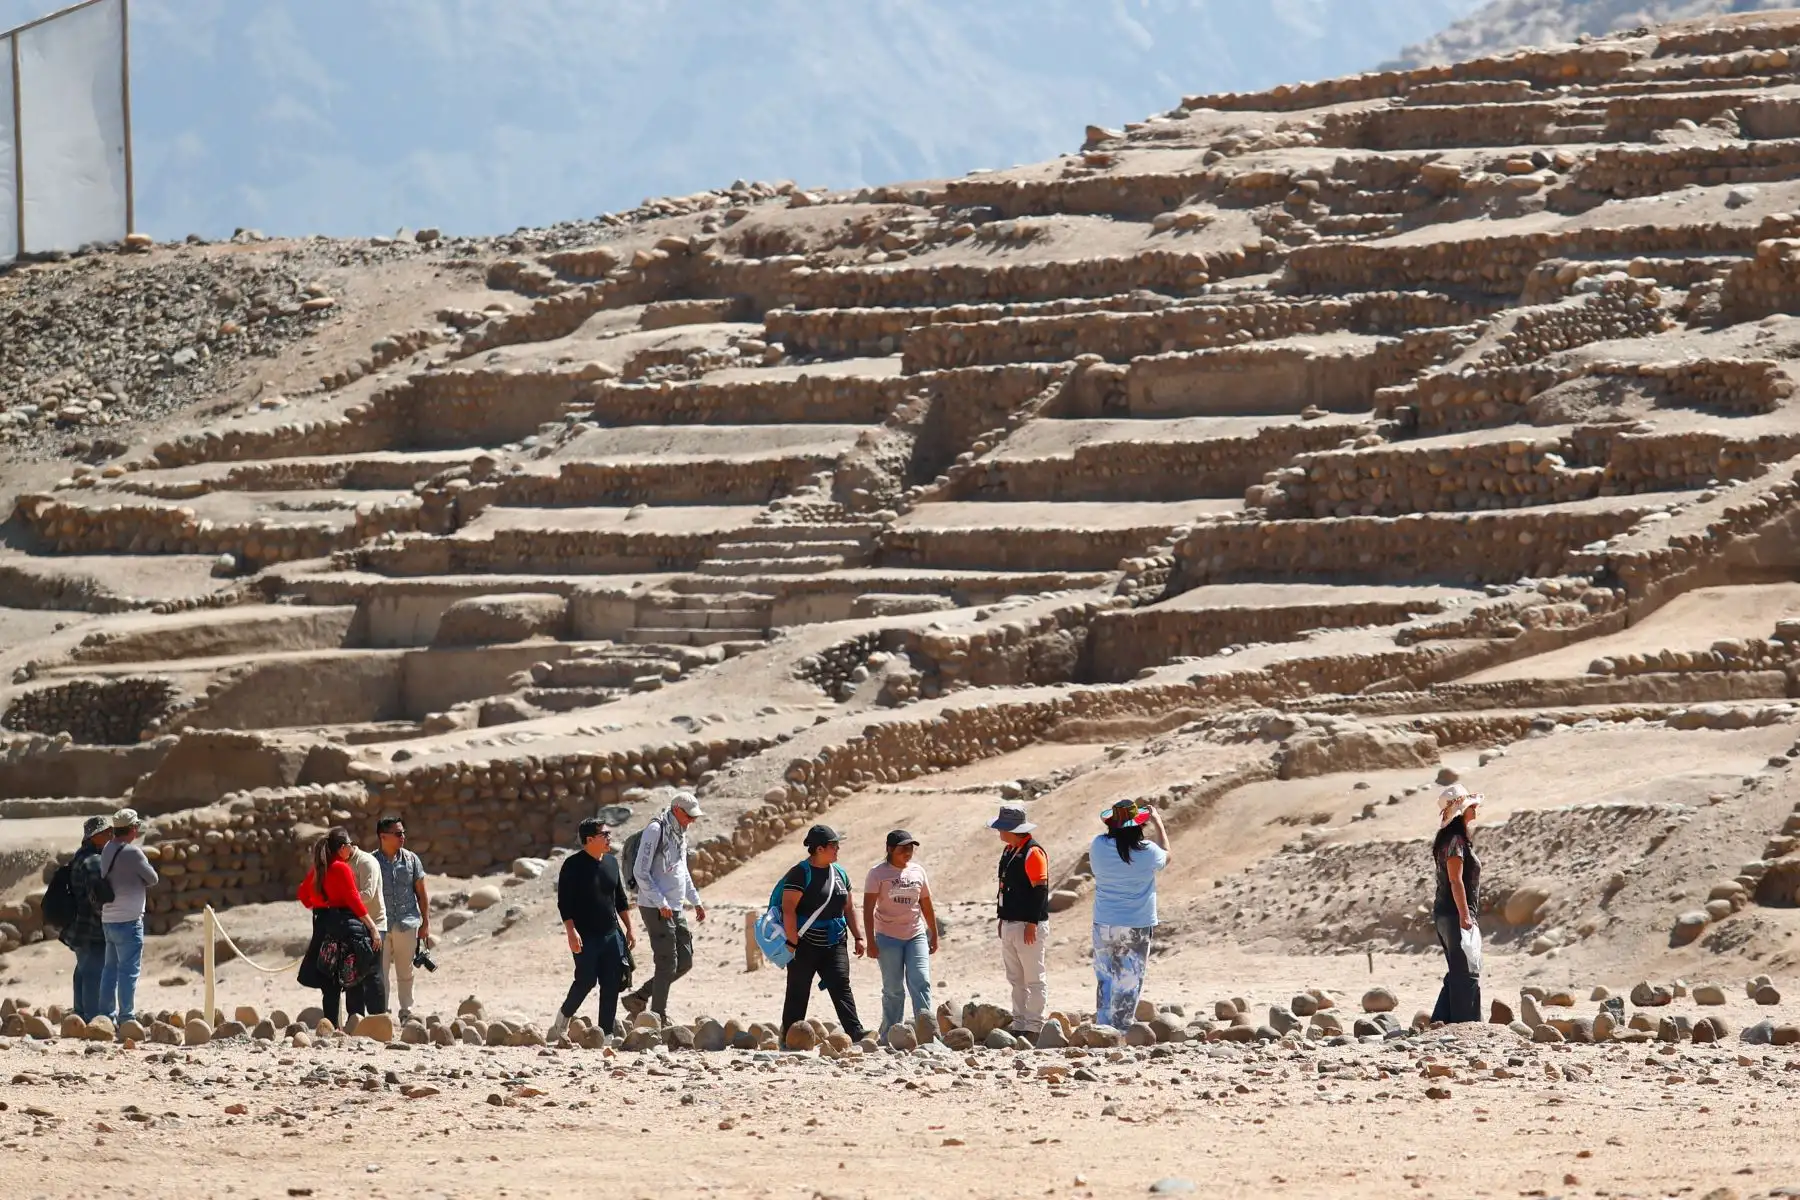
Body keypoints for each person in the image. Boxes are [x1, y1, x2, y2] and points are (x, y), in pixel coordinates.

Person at [550, 818, 638, 1043]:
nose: (610, 838)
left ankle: (605, 1035)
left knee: (611, 983)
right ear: (590, 840)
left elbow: (620, 899)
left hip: (611, 935)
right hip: (585, 936)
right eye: (605, 835)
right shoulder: (572, 866)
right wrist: (571, 932)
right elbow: (564, 903)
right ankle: (563, 1019)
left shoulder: (610, 863)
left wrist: (630, 928)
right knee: (586, 980)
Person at [779, 824, 867, 1044]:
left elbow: (848, 908)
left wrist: (858, 936)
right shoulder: (800, 873)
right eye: (834, 845)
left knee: (841, 984)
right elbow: (788, 908)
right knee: (798, 990)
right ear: (819, 849)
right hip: (804, 943)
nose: (838, 849)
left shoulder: (840, 873)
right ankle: (791, 1037)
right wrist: (791, 941)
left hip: (835, 941)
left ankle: (855, 1033)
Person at [625, 789, 707, 1019]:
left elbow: (681, 870)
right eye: (689, 816)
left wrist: (696, 901)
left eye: (694, 817)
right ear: (676, 810)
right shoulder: (655, 830)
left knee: (685, 960)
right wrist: (660, 902)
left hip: (675, 906)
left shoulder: (680, 832)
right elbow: (640, 872)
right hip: (655, 907)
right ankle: (657, 1016)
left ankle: (639, 996)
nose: (692, 820)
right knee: (666, 962)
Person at [1089, 799, 1170, 1030]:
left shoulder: (1098, 845)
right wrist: (1158, 823)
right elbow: (1167, 855)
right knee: (1129, 980)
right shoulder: (1147, 852)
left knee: (1105, 977)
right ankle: (1121, 1031)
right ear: (1139, 826)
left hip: (1103, 921)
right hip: (1136, 923)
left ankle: (1103, 1028)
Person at [296, 827, 383, 1028]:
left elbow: (303, 896)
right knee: (354, 973)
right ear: (342, 848)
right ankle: (355, 1024)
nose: (351, 850)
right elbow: (354, 900)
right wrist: (372, 927)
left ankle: (331, 1026)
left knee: (329, 981)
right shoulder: (341, 868)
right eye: (349, 846)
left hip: (322, 925)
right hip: (344, 925)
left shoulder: (319, 869)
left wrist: (321, 904)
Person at [861, 829, 939, 1040]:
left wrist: (934, 932)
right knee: (893, 987)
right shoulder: (877, 873)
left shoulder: (918, 872)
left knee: (921, 980)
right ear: (889, 849)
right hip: (887, 937)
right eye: (903, 848)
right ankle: (891, 1033)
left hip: (916, 934)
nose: (908, 852)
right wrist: (870, 941)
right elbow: (867, 909)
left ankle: (926, 1033)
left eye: (911, 848)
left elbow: (926, 904)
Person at [991, 804, 1049, 1038]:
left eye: (1002, 829)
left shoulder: (1033, 852)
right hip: (1009, 922)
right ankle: (1019, 1023)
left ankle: (1034, 1026)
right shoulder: (1009, 851)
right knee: (1016, 978)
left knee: (1034, 977)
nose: (999, 833)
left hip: (1027, 925)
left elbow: (1040, 890)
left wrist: (1032, 923)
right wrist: (1001, 917)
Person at [97, 808, 158, 1027]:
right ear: (132, 829)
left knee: (109, 969)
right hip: (129, 921)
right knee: (128, 972)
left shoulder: (107, 849)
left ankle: (105, 1017)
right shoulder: (133, 853)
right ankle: (126, 1018)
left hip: (109, 919)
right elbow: (152, 879)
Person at [1431, 784, 1483, 1024]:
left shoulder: (1452, 840)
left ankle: (1439, 1022)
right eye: (1472, 805)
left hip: (1446, 913)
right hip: (1455, 914)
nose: (1476, 808)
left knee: (1458, 973)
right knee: (1466, 974)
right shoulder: (1455, 842)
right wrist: (1465, 916)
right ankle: (1467, 1026)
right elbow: (1455, 880)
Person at [374, 816, 430, 1022]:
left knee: (406, 971)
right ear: (383, 836)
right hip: (380, 925)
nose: (402, 837)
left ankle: (406, 1011)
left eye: (403, 832)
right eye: (398, 834)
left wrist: (426, 923)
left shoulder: (412, 860)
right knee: (380, 972)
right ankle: (382, 1013)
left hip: (407, 922)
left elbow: (422, 894)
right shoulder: (371, 862)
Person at [58, 817, 111, 1021]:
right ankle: (92, 1018)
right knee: (94, 972)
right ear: (96, 837)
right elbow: (96, 895)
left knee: (83, 970)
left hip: (79, 925)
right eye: (106, 833)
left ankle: (79, 1015)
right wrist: (106, 917)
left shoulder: (81, 856)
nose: (110, 837)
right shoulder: (94, 861)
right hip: (92, 927)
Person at [348, 838, 390, 1015]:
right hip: (353, 924)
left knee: (372, 974)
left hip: (374, 924)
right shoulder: (341, 864)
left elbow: (367, 895)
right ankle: (355, 1020)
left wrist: (344, 899)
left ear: (346, 846)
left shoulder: (366, 862)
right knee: (351, 974)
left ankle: (377, 1020)